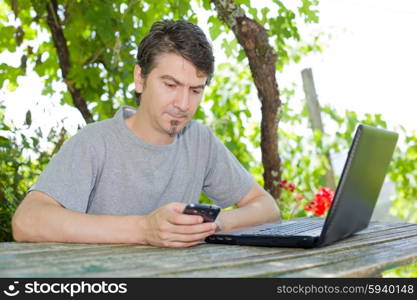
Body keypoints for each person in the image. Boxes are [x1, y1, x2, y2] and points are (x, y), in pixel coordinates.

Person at [12, 20, 280, 248]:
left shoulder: (200, 141)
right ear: (140, 78)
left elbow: (267, 207)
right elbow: (26, 221)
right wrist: (143, 229)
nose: (184, 104)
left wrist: (213, 224)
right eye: (171, 84)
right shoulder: (94, 142)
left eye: (195, 90)